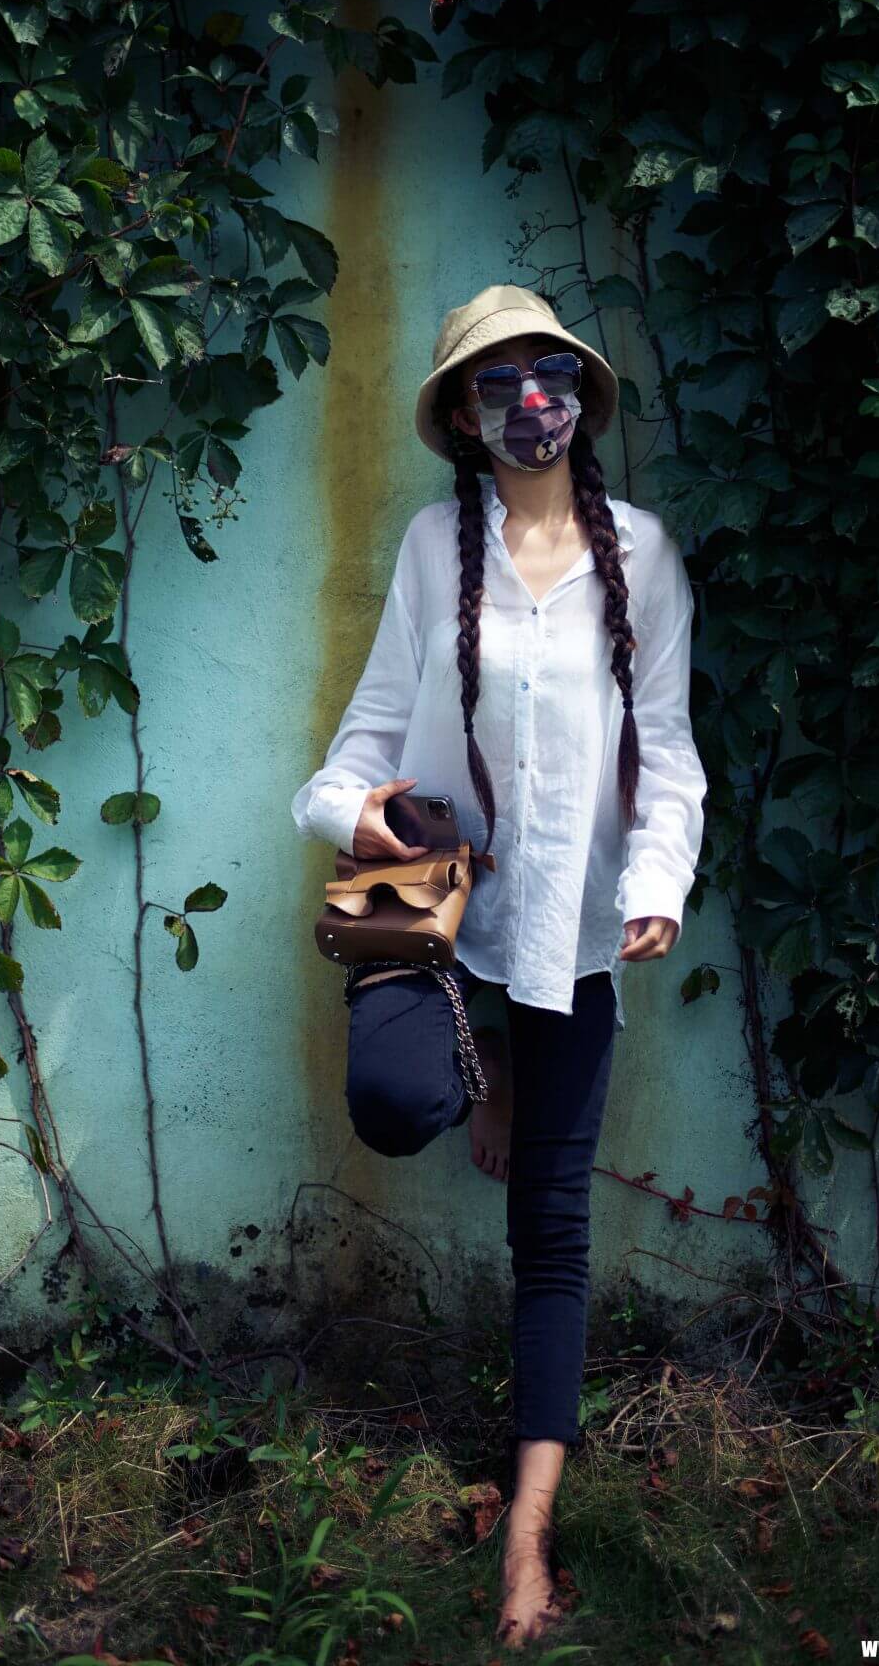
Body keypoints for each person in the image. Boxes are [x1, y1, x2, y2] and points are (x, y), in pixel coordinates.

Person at [291, 282, 708, 1648]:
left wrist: (655, 883)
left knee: (552, 1230)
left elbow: (670, 753)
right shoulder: (434, 548)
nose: (531, 402)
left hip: (571, 932)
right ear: (465, 421)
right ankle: (489, 1073)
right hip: (437, 906)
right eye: (498, 384)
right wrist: (355, 815)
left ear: (581, 396)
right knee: (395, 1103)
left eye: (552, 375)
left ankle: (528, 1535)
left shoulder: (641, 554)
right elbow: (358, 748)